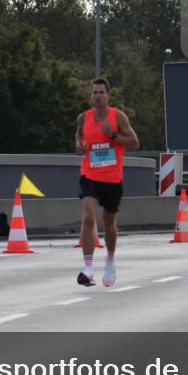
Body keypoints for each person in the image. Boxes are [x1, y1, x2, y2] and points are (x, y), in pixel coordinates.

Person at [75, 78, 140, 287]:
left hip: (112, 178)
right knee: (87, 217)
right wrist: (79, 146)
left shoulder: (117, 117)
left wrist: (112, 135)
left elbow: (134, 143)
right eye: (94, 92)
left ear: (108, 95)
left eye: (101, 92)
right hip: (90, 175)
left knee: (109, 223)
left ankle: (110, 261)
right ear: (90, 96)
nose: (98, 96)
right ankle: (88, 269)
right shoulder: (83, 118)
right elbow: (78, 137)